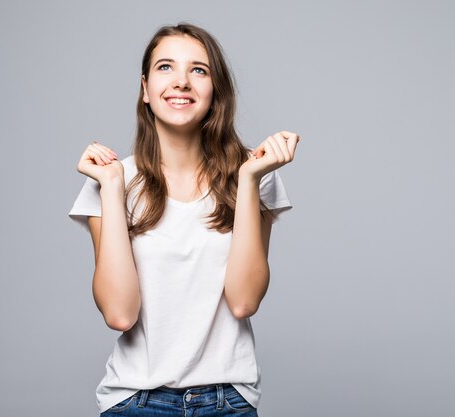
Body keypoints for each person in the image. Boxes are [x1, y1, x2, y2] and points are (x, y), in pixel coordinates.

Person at [68, 22, 300, 417]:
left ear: (215, 92)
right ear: (145, 89)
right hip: (134, 401)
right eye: (165, 68)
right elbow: (119, 314)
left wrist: (247, 179)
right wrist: (112, 186)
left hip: (229, 401)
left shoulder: (256, 174)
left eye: (198, 70)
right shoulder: (110, 181)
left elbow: (244, 301)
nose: (181, 82)